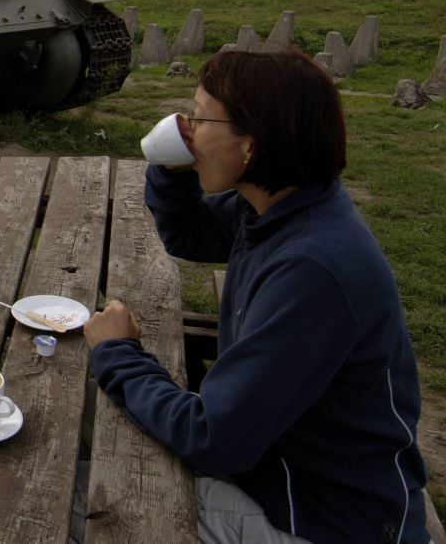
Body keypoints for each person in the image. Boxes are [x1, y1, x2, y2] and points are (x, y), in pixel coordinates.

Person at [85, 48, 428, 544]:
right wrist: (174, 166)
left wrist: (117, 353)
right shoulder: (283, 207)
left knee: (78, 500)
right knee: (93, 439)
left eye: (200, 117)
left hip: (318, 518)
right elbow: (191, 235)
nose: (186, 126)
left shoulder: (312, 268)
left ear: (251, 143)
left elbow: (212, 439)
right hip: (282, 473)